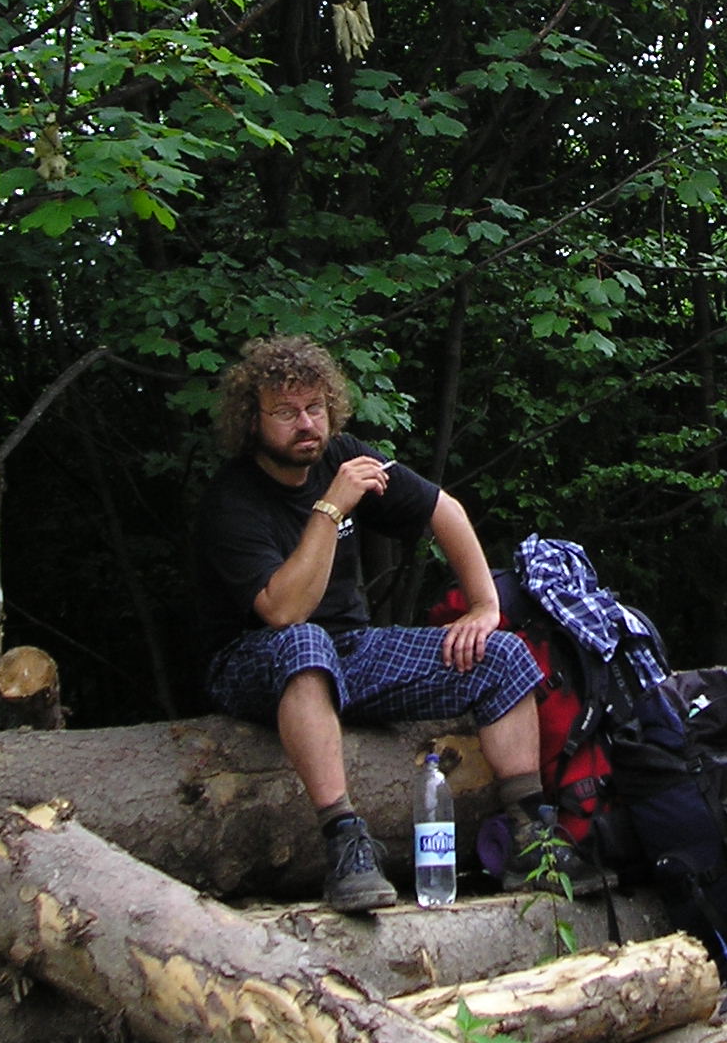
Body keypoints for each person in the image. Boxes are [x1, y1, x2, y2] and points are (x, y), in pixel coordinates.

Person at [192, 334, 592, 912]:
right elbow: (283, 612)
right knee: (305, 642)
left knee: (502, 655)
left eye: (315, 408)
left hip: (351, 651)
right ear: (252, 422)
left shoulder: (344, 455)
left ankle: (532, 836)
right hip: (252, 660)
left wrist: (485, 608)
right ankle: (344, 840)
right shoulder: (233, 500)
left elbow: (444, 510)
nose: (306, 424)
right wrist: (331, 507)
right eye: (285, 412)